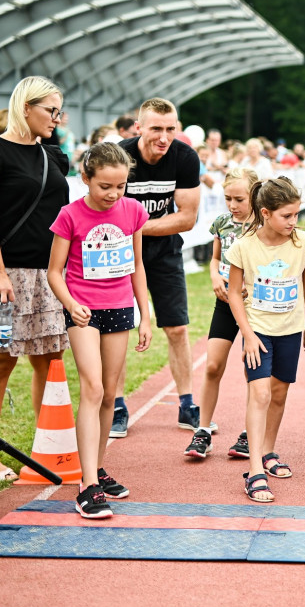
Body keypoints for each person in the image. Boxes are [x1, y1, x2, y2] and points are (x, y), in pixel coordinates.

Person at [46, 143, 152, 517]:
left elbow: (137, 266)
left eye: (120, 186)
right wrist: (70, 303)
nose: (113, 194)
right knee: (92, 388)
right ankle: (87, 485)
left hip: (120, 307)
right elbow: (54, 271)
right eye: (105, 186)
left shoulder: (133, 211)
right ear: (86, 178)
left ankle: (98, 468)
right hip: (83, 312)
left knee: (108, 394)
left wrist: (146, 313)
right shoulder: (69, 215)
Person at [0, 77, 71, 481]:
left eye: (58, 110)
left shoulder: (56, 155)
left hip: (49, 277)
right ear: (25, 106)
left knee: (49, 363)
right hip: (7, 277)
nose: (57, 118)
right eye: (50, 110)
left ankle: (47, 449)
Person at [225, 177, 305, 502]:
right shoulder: (243, 247)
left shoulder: (303, 243)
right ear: (265, 213)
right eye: (287, 216)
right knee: (260, 393)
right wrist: (247, 334)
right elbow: (233, 293)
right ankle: (254, 472)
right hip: (258, 331)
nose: (293, 222)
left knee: (278, 393)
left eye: (296, 215)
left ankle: (267, 451)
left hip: (291, 329)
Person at [112, 98, 201, 436]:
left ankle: (187, 405)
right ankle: (118, 407)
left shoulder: (185, 157)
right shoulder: (120, 156)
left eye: (170, 129)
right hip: (119, 254)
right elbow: (105, 209)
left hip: (164, 252)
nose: (163, 137)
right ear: (139, 128)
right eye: (156, 129)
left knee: (177, 329)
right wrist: (135, 228)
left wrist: (135, 224)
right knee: (116, 330)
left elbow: (187, 218)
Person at [183, 167, 260, 459]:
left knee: (252, 370)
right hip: (226, 303)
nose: (232, 205)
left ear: (254, 195)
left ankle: (248, 432)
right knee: (213, 366)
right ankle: (202, 431)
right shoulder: (222, 223)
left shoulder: (264, 227)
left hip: (254, 308)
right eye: (228, 198)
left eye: (239, 199)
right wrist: (215, 276)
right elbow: (215, 259)